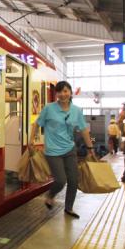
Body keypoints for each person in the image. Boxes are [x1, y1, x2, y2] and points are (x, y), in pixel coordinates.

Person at [28, 80, 95, 219]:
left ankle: (69, 208)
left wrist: (90, 147)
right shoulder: (49, 108)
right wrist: (31, 140)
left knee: (73, 181)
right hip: (52, 151)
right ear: (56, 94)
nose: (62, 94)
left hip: (70, 149)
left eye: (65, 91)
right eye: (59, 91)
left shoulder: (76, 110)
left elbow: (84, 130)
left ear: (70, 92)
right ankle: (50, 195)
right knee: (60, 180)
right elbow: (36, 124)